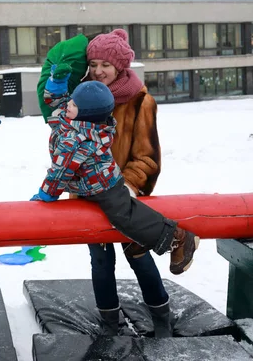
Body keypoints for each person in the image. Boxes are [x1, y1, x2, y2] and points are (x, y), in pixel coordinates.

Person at [34, 29, 199, 338]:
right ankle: (110, 325)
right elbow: (64, 131)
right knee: (100, 260)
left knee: (138, 255)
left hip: (123, 195)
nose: (98, 70)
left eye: (105, 65)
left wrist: (127, 188)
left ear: (120, 67)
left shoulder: (139, 101)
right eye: (93, 63)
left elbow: (146, 157)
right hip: (87, 196)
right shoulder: (82, 95)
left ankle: (161, 320)